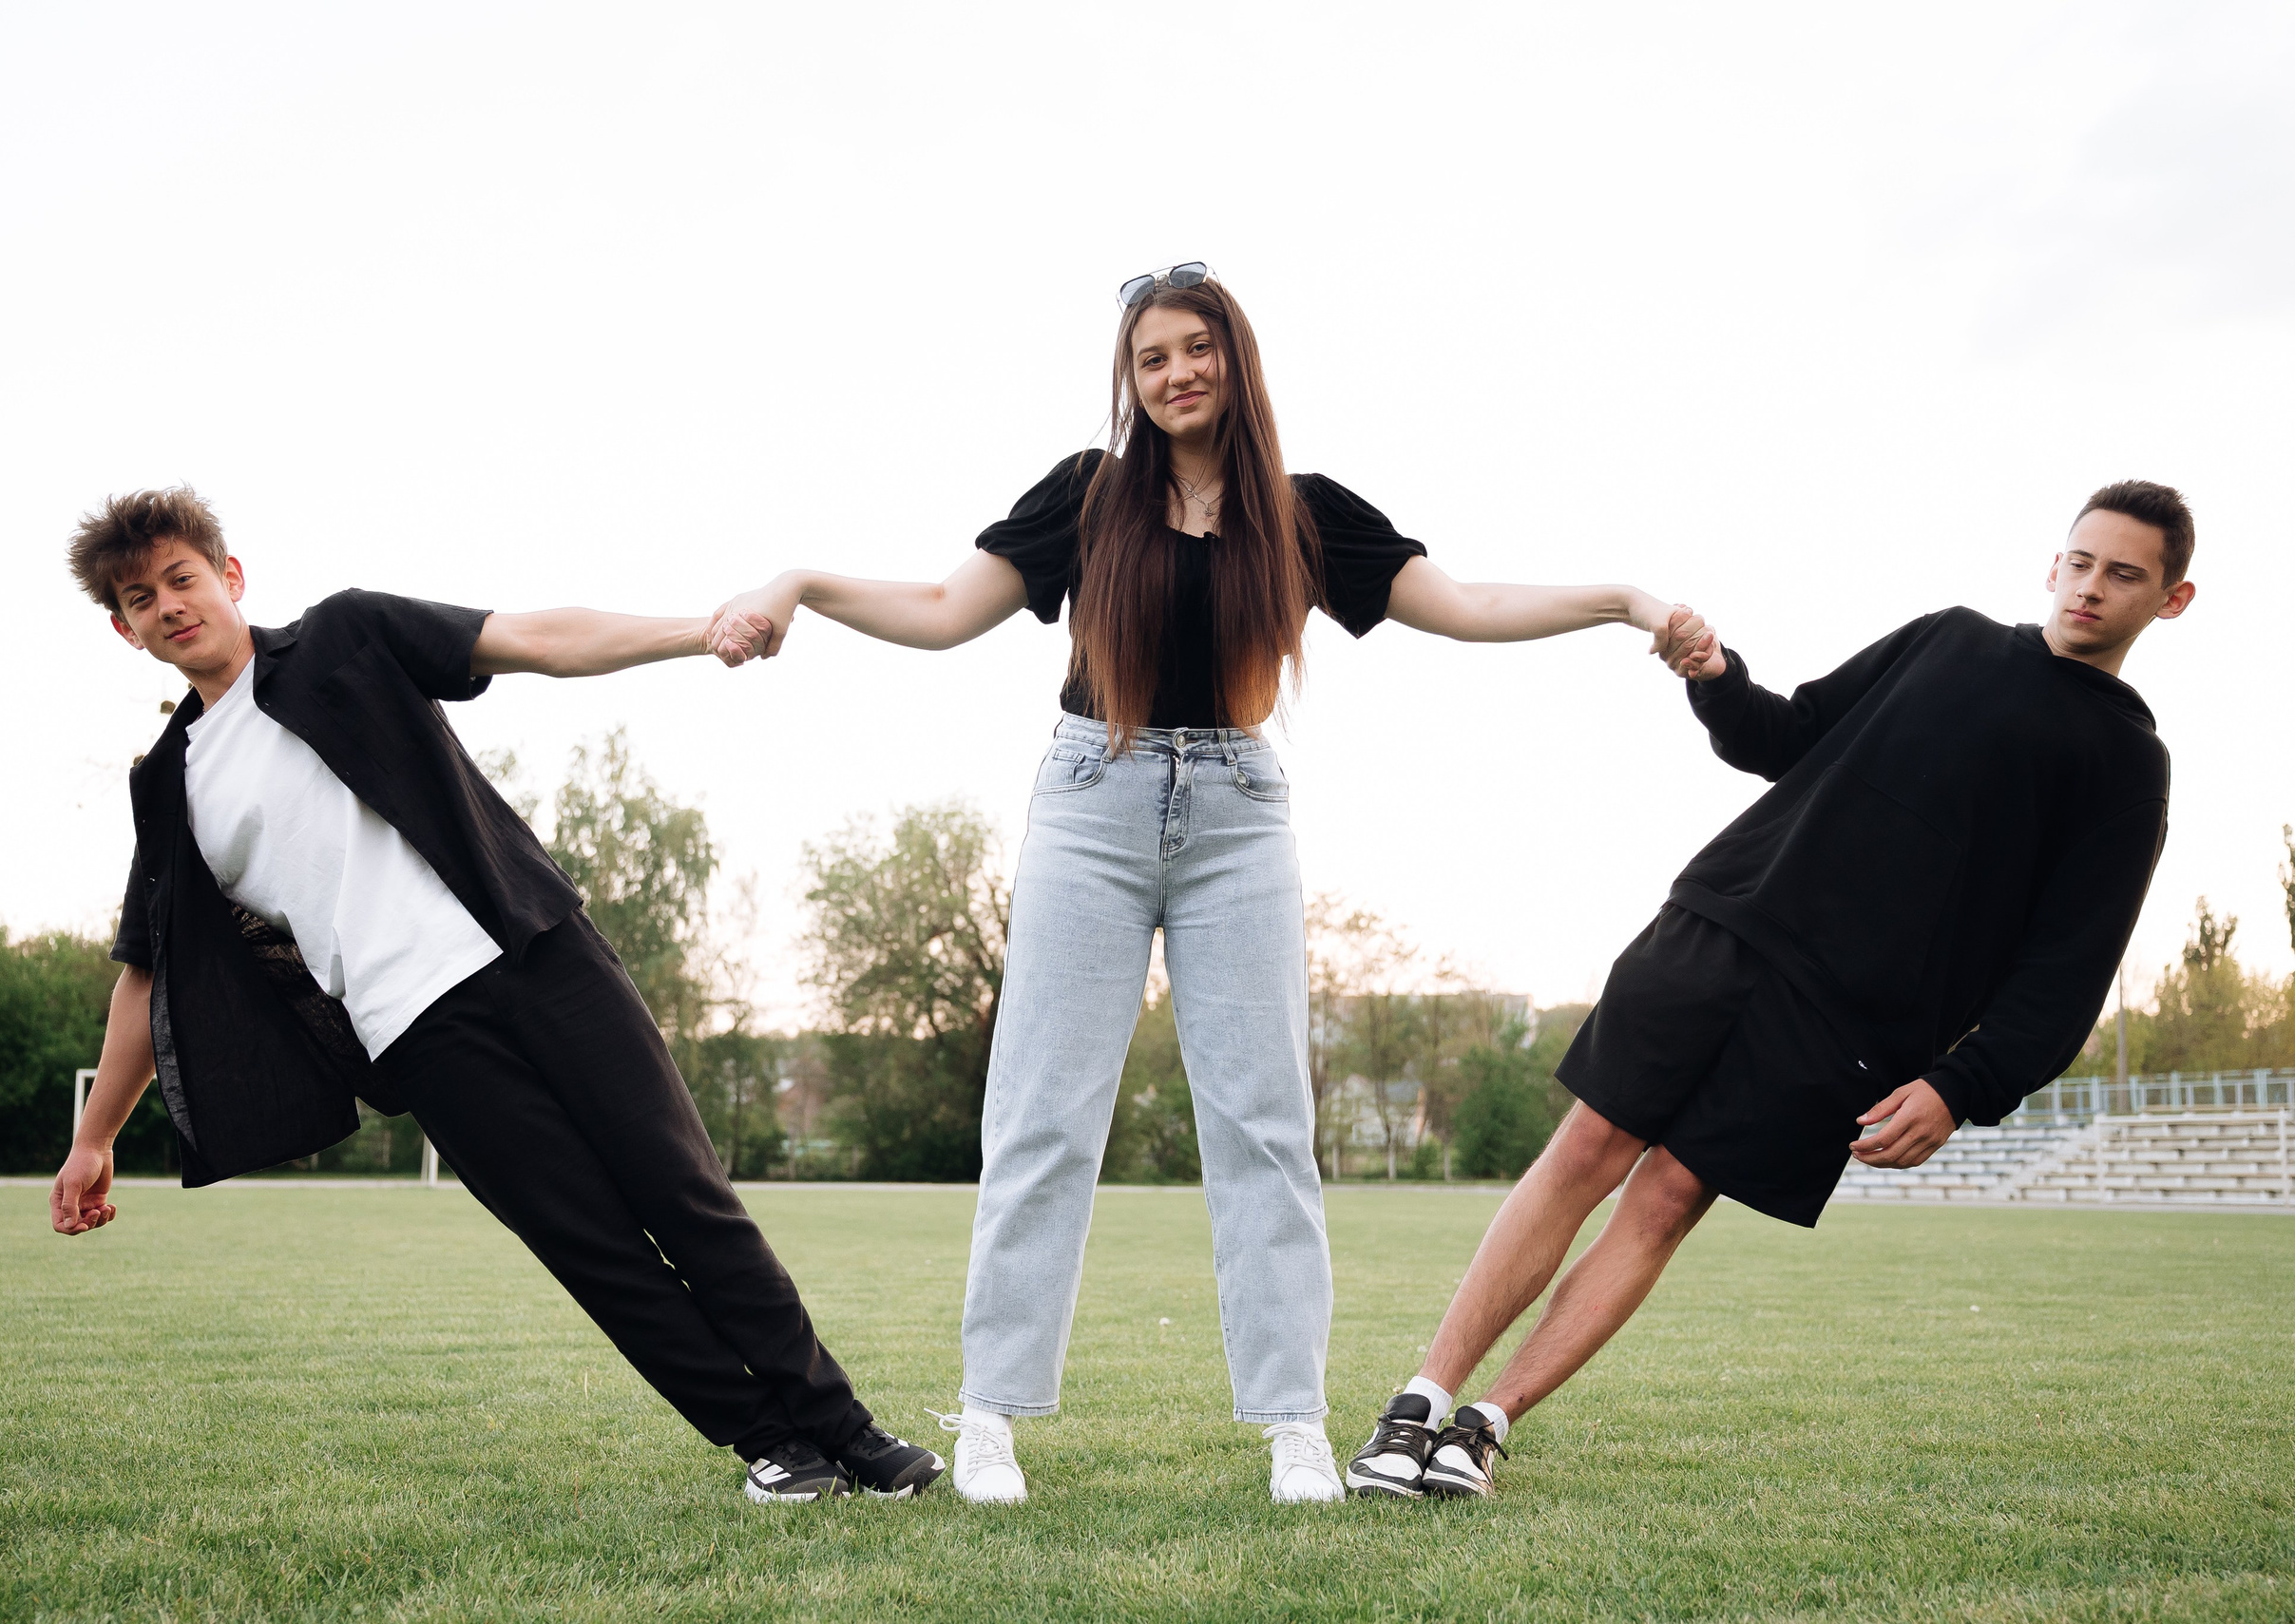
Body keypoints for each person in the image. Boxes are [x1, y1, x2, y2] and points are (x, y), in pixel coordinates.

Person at [708, 264, 1706, 1502]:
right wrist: (799, 584)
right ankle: (992, 1415)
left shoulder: (1304, 514)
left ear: (1235, 359)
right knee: (1040, 1118)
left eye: (1196, 348)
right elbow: (941, 606)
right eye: (1151, 357)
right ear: (1129, 380)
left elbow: (1467, 603)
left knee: (1265, 1127)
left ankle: (1293, 1423)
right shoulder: (1087, 497)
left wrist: (1624, 602)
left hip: (1239, 812)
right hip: (1092, 798)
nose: (1176, 372)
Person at [50, 487, 944, 1504]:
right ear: (124, 630)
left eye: (182, 578)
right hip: (414, 1032)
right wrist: (94, 1136)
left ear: (230, 576)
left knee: (687, 1195)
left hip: (537, 953)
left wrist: (699, 631)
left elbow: (535, 638)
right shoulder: (169, 784)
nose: (169, 604)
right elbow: (148, 970)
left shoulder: (345, 635)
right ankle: (772, 1443)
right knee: (593, 1247)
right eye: (140, 598)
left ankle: (848, 1430)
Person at [1345, 480, 2193, 1500]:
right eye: (2080, 561)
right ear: (2053, 562)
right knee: (1586, 1146)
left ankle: (1483, 1426)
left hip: (1851, 1024)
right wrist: (1715, 674)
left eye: (2123, 574)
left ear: (2171, 599)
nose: (2090, 587)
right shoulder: (1950, 638)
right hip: (1726, 922)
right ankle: (1417, 1404)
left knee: (1666, 1199)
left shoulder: (2128, 766)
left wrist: (1959, 1084)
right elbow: (1788, 736)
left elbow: (2065, 974)